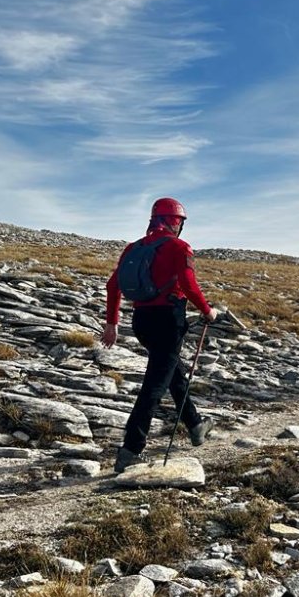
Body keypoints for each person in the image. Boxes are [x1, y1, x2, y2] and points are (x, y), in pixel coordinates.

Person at [101, 197, 217, 472]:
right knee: (154, 386)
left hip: (142, 321)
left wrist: (112, 323)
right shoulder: (179, 247)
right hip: (168, 320)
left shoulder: (134, 248)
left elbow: (112, 286)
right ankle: (131, 449)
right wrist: (207, 310)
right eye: (180, 222)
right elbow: (188, 284)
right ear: (176, 222)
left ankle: (195, 425)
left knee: (170, 371)